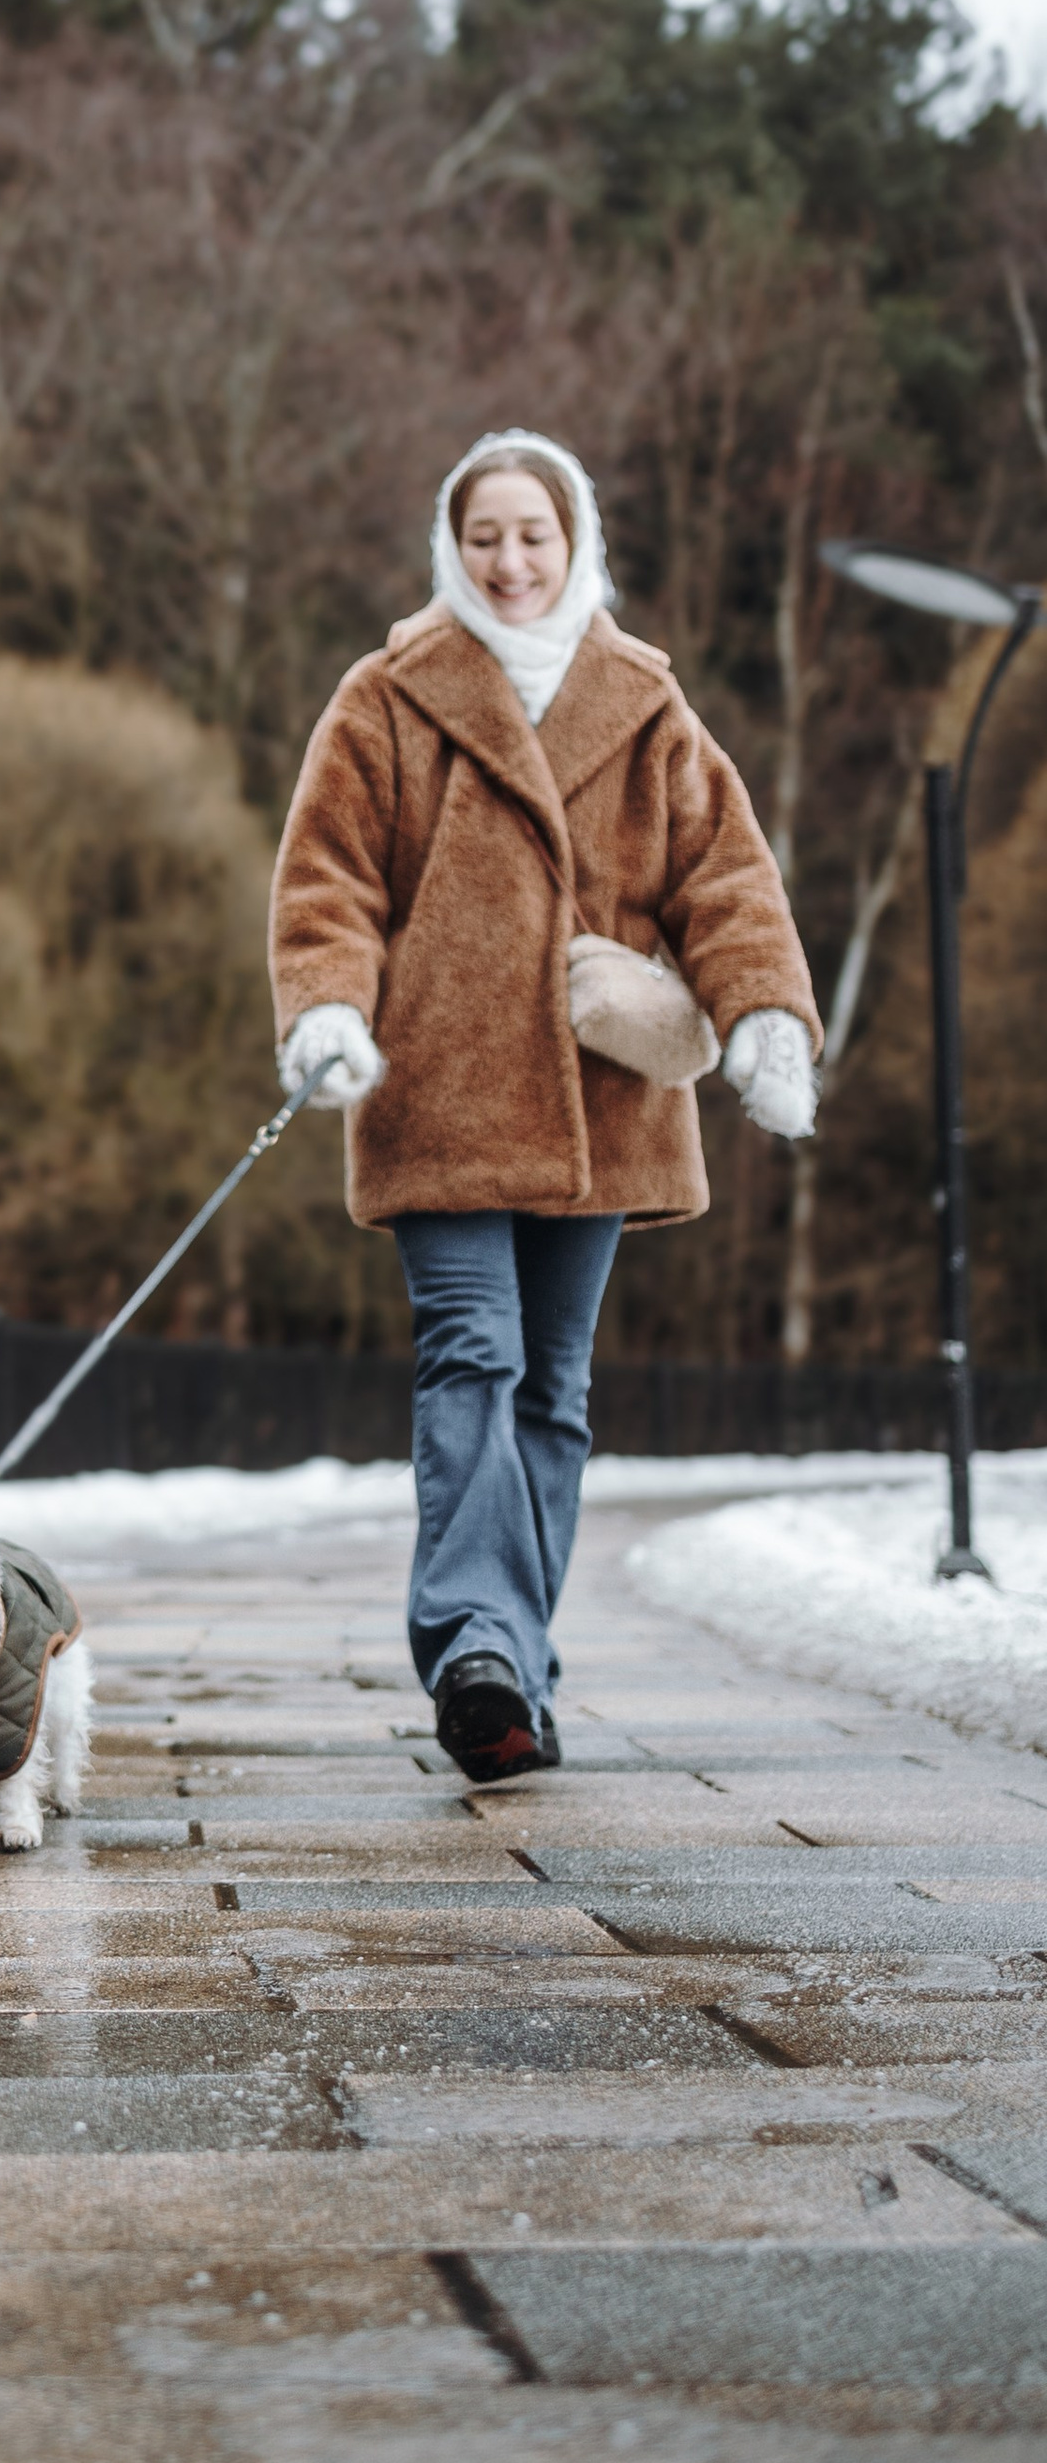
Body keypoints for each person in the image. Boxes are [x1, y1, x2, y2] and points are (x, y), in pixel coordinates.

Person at [269, 429, 819, 1780]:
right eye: (484, 536)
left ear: (577, 545)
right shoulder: (386, 696)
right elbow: (326, 875)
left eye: (533, 534)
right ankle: (476, 1646)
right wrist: (329, 1005)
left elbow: (727, 877)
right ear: (449, 550)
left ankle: (510, 1657)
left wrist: (760, 1016)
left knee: (555, 1392)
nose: (509, 560)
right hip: (440, 1098)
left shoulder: (646, 702)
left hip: (600, 1105)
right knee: (476, 1352)